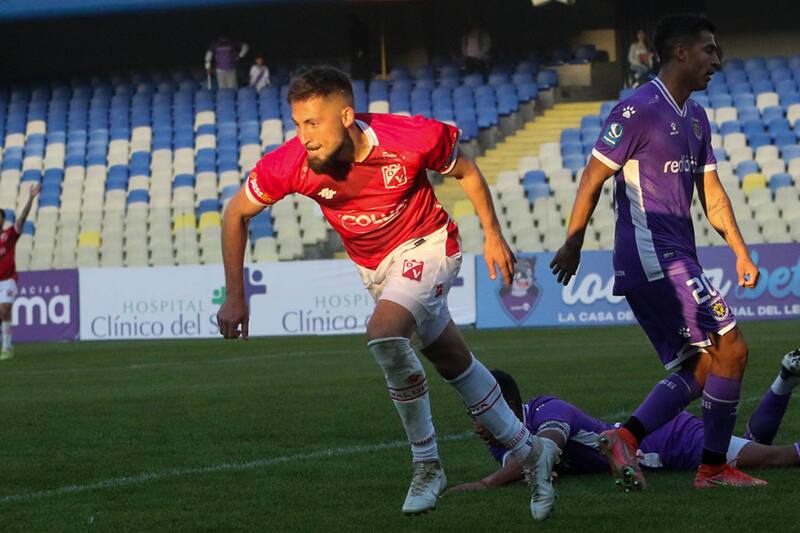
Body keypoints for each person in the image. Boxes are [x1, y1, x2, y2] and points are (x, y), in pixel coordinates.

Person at [216, 66, 555, 518]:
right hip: (374, 269)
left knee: (383, 334)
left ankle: (427, 464)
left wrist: (492, 234)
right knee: (452, 360)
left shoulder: (409, 137)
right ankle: (532, 454)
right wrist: (235, 296)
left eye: (312, 123)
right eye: (297, 124)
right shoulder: (293, 163)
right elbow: (234, 213)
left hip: (429, 245)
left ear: (346, 116)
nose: (304, 136)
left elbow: (467, 170)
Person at [549, 14, 765, 489]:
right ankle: (712, 468)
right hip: (655, 257)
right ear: (680, 53)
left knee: (704, 366)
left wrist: (741, 252)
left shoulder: (696, 117)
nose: (718, 61)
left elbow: (714, 195)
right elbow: (592, 176)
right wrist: (574, 242)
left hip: (672, 257)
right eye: (710, 50)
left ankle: (625, 437)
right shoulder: (638, 109)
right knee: (733, 348)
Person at [452, 351, 800, 499]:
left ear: (508, 407)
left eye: (480, 416)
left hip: (668, 439)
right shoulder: (501, 441)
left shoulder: (547, 409)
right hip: (656, 450)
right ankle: (784, 380)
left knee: (777, 459)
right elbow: (520, 465)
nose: (476, 427)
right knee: (756, 445)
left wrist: (484, 485)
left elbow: (547, 445)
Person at [0, 183, 40, 360]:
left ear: (2, 220)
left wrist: (31, 198)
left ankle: (6, 348)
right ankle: (7, 345)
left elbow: (22, 218)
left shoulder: (9, 234)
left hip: (8, 279)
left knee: (4, 310)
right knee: (3, 314)